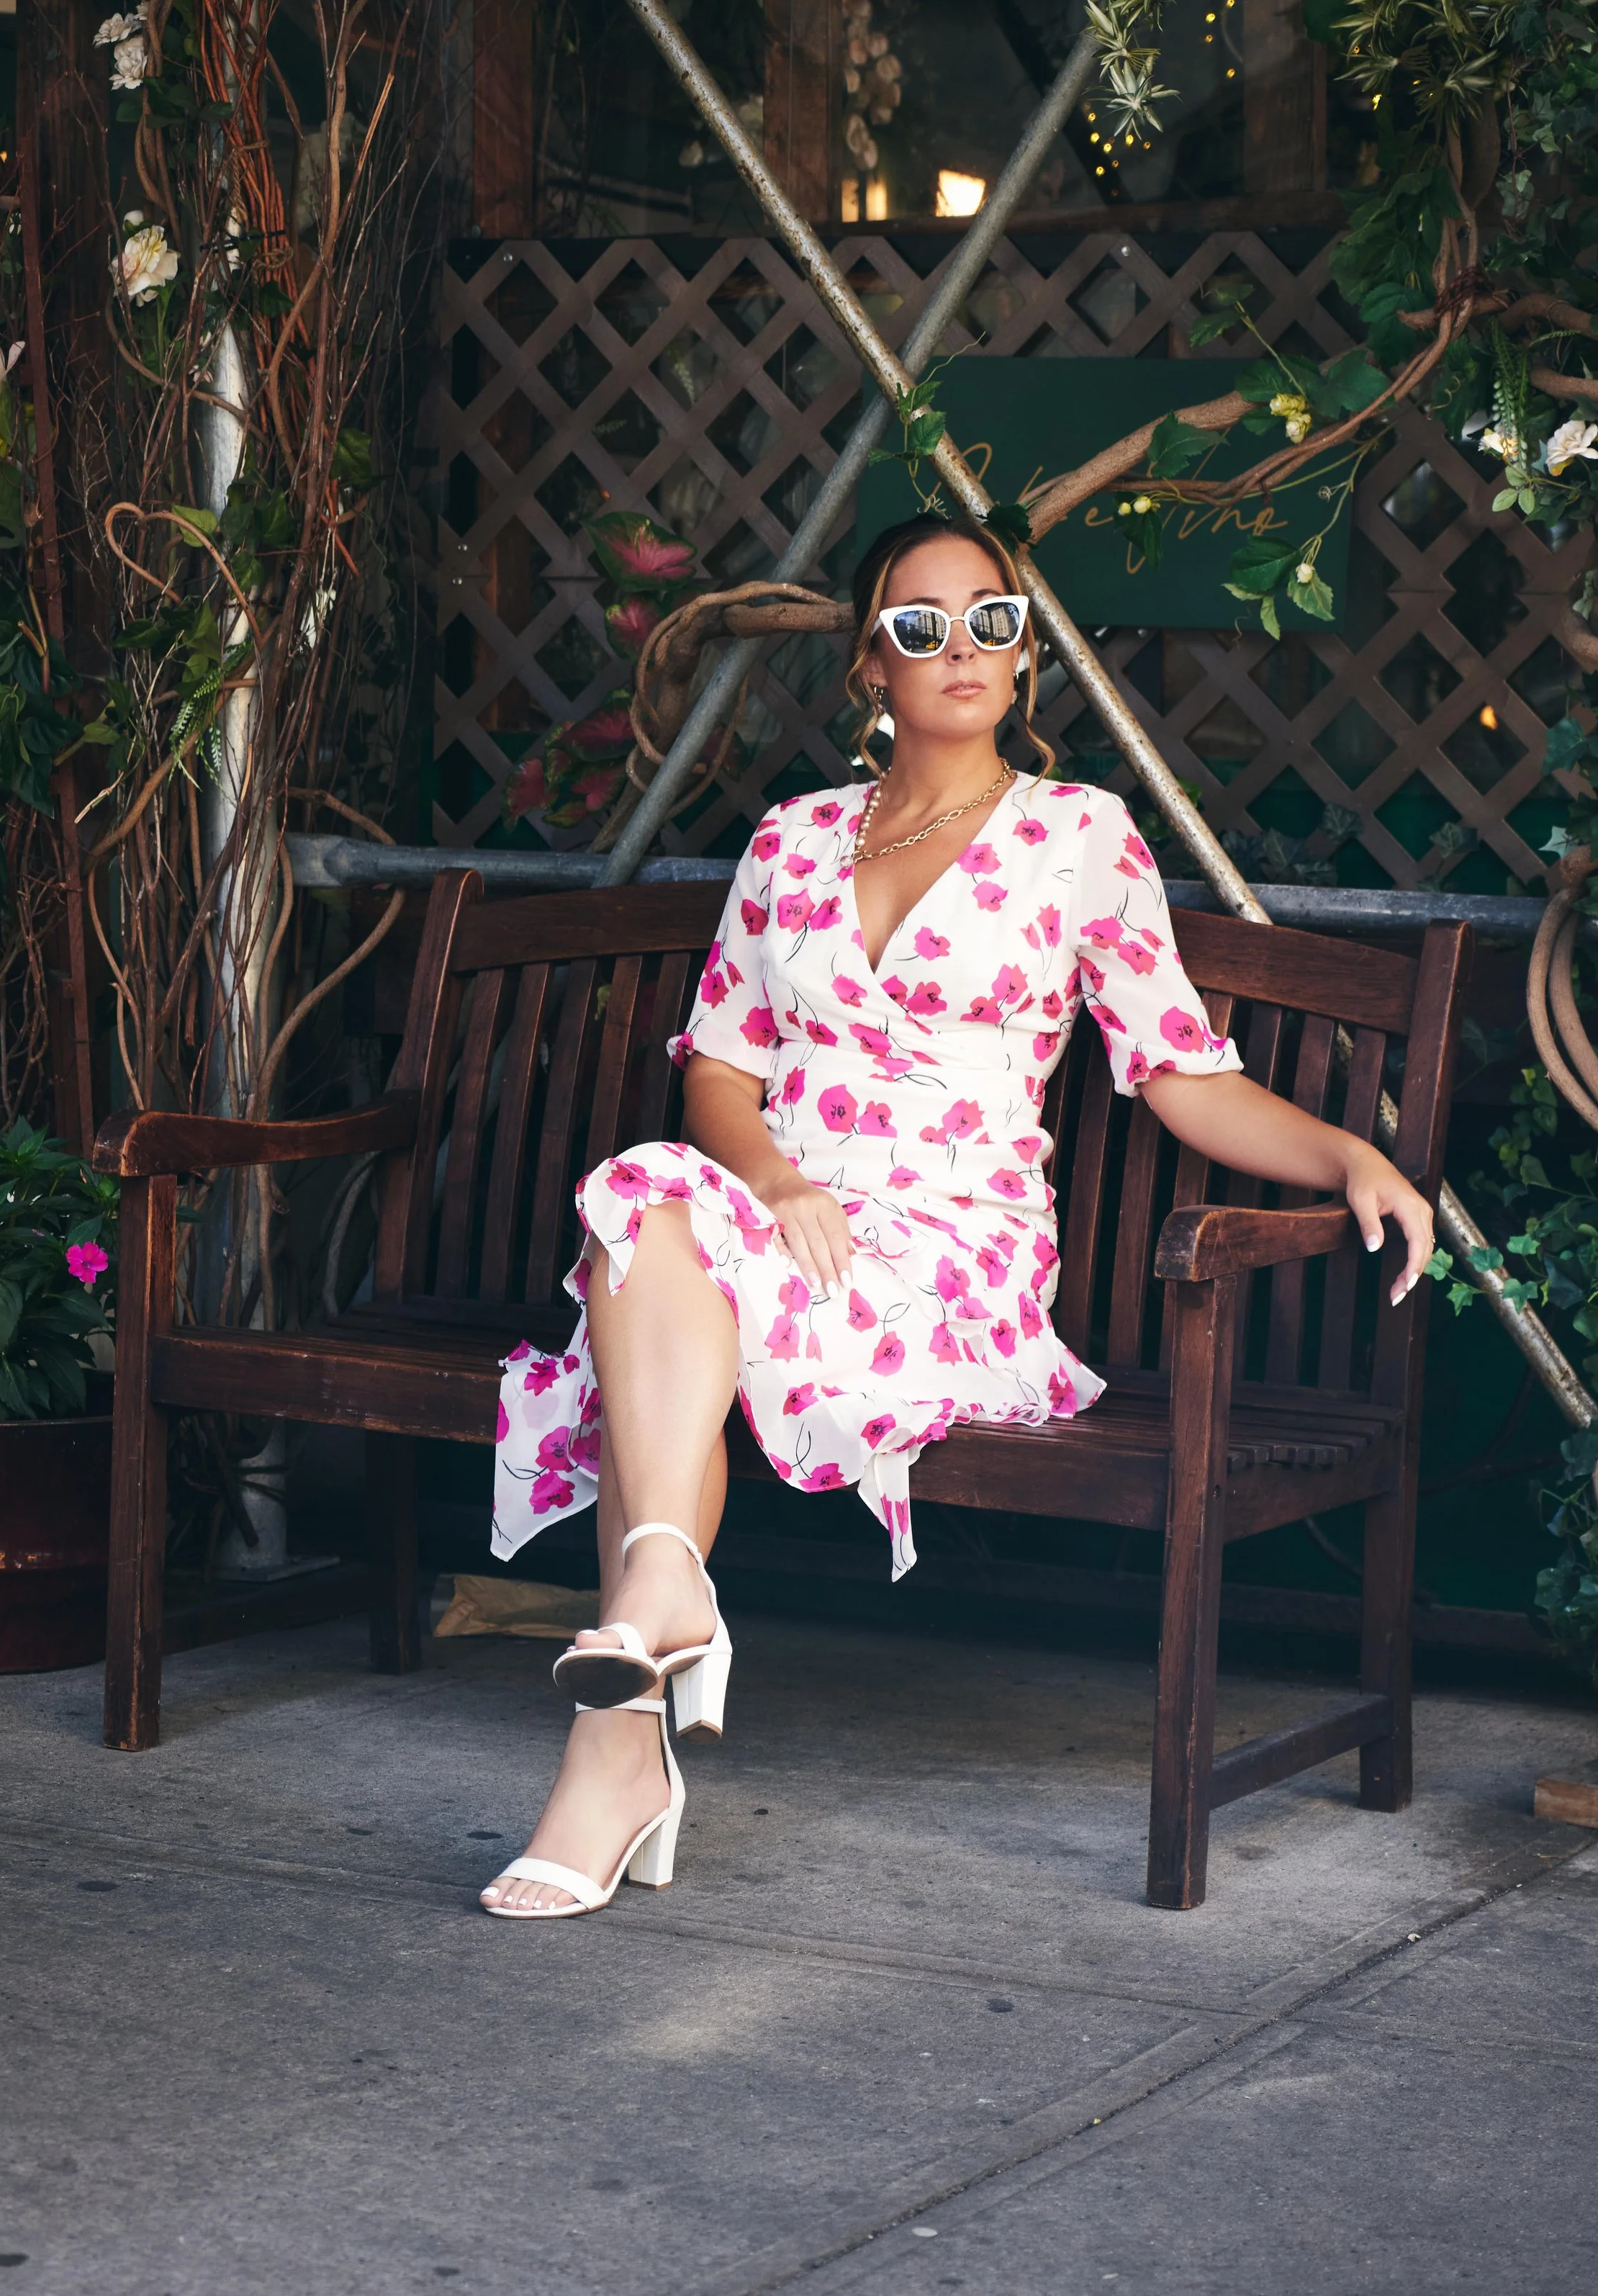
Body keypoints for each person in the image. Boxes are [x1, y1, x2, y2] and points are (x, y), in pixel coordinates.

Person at [481, 513, 1435, 1917]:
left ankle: (620, 1734)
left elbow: (1177, 1069)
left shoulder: (1076, 840)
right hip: (781, 1212)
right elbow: (719, 1066)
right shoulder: (791, 837)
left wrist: (1344, 1151)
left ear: (1027, 651)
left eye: (988, 617)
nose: (959, 646)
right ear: (871, 658)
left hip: (947, 1253)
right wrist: (785, 1181)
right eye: (917, 622)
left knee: (646, 1264)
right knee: (645, 1206)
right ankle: (650, 1627)